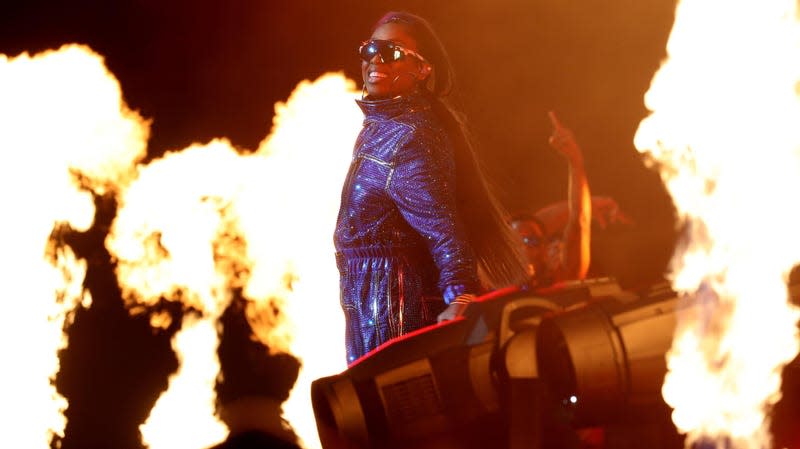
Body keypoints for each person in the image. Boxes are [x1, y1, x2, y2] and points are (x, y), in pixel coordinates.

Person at [334, 11, 528, 364]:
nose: (376, 60)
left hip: (395, 312)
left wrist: (462, 299)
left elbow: (446, 234)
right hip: (370, 305)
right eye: (371, 49)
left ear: (423, 69)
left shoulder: (411, 137)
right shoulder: (382, 128)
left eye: (392, 52)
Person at [510, 112, 632, 287]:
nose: (525, 248)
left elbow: (579, 220)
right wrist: (593, 202)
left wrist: (575, 162)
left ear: (544, 250)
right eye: (516, 244)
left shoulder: (562, 278)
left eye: (532, 242)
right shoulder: (486, 285)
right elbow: (537, 223)